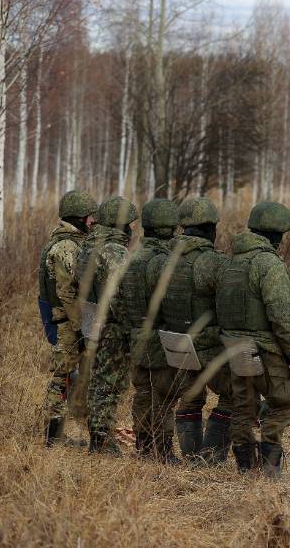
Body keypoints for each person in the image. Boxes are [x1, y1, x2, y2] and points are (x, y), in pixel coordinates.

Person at [217, 201, 290, 477]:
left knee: (243, 406)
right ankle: (270, 466)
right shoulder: (268, 263)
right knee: (283, 404)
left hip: (235, 347)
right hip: (266, 349)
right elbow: (281, 314)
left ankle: (244, 465)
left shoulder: (231, 262)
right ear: (275, 234)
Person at [155, 196, 234, 465]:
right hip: (209, 344)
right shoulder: (213, 262)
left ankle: (191, 457)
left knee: (189, 398)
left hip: (175, 342)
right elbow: (229, 304)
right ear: (210, 228)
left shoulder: (163, 259)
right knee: (235, 395)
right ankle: (211, 457)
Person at [79, 195, 138, 454]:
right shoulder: (114, 251)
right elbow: (120, 294)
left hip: (91, 321)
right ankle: (101, 440)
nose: (132, 229)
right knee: (109, 384)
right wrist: (133, 328)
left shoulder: (89, 246)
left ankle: (98, 436)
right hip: (112, 326)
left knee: (98, 381)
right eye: (129, 224)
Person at [39, 189, 98, 446]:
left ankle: (56, 435)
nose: (92, 221)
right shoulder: (66, 246)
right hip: (66, 323)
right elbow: (67, 292)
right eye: (88, 217)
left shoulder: (66, 241)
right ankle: (54, 438)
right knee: (61, 378)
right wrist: (81, 328)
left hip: (65, 321)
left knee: (64, 376)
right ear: (77, 218)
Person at [124, 197, 181, 463]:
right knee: (165, 396)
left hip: (136, 337)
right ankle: (164, 449)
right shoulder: (163, 261)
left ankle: (144, 445)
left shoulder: (131, 257)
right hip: (160, 338)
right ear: (169, 227)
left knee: (143, 393)